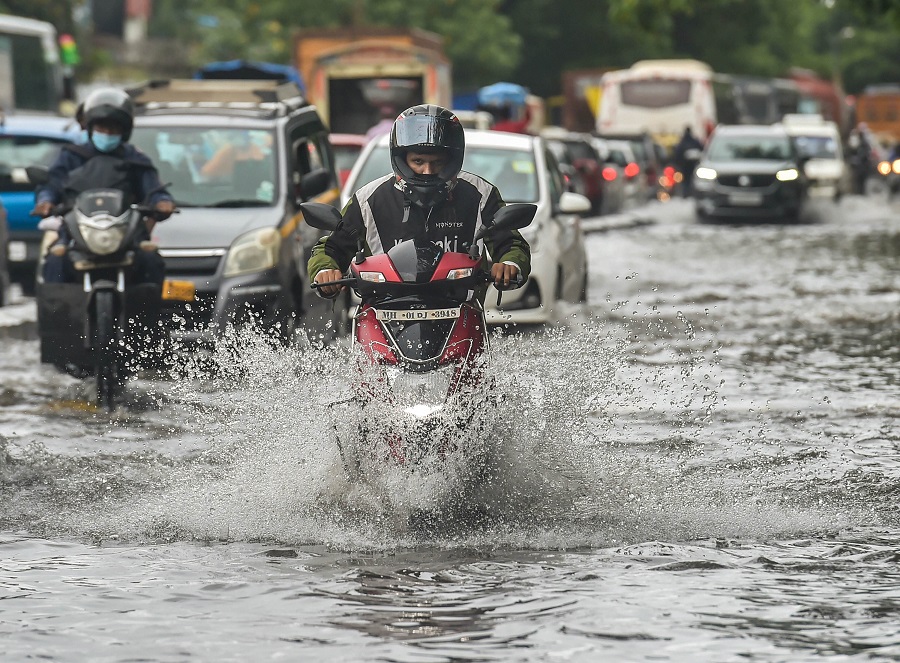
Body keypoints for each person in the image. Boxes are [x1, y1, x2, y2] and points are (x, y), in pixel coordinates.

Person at [309, 104, 530, 298]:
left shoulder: (480, 194)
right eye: (418, 161)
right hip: (383, 310)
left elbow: (510, 242)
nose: (427, 171)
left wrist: (509, 265)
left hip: (460, 308)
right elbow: (332, 247)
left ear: (452, 160)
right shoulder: (369, 199)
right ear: (401, 158)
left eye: (437, 162)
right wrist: (325, 271)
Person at [35, 87, 175, 285]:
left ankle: (145, 313)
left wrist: (162, 202)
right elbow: (52, 185)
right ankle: (59, 314)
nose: (107, 134)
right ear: (91, 128)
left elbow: (153, 188)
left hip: (126, 236)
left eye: (113, 129)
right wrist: (46, 201)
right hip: (77, 234)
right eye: (101, 128)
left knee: (150, 259)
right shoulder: (71, 156)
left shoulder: (135, 159)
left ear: (124, 132)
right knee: (56, 260)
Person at [673, 126, 703, 197]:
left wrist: (679, 164)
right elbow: (702, 150)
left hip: (684, 166)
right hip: (694, 165)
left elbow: (677, 154)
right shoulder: (694, 141)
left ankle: (686, 193)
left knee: (686, 180)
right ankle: (693, 193)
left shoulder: (682, 142)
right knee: (694, 179)